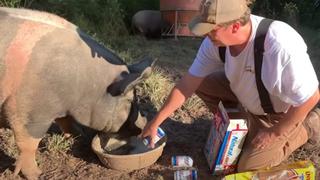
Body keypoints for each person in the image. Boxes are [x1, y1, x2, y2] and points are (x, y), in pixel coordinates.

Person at [141, 0, 320, 172]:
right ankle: (240, 126)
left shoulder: (279, 46)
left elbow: (312, 97)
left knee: (248, 167)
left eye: (211, 30)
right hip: (246, 98)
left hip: (278, 116)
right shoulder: (215, 43)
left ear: (234, 26)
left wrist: (275, 132)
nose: (205, 35)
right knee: (202, 81)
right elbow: (188, 83)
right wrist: (156, 121)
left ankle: (308, 126)